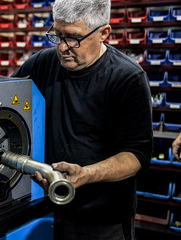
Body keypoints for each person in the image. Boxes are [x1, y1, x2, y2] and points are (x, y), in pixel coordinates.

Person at [12, 0, 153, 239]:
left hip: (102, 220)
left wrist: (87, 174)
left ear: (103, 33)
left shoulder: (128, 78)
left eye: (73, 38)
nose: (63, 48)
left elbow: (136, 155)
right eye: (57, 35)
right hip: (48, 210)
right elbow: (2, 99)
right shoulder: (42, 64)